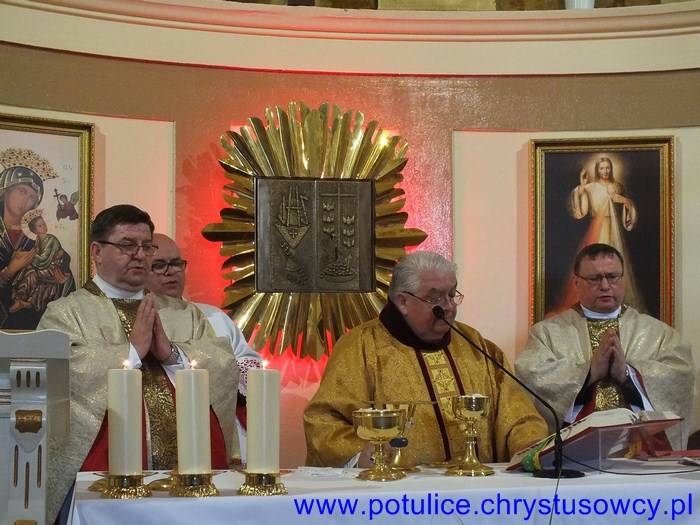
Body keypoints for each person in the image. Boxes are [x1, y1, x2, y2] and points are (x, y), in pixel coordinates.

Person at [37, 204, 240, 524]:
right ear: (97, 252)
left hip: (187, 474)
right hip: (105, 473)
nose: (139, 255)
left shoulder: (183, 312)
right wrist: (131, 352)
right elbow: (59, 376)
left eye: (146, 246)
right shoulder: (66, 312)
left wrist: (171, 354)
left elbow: (225, 367)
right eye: (127, 245)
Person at [303, 251, 548, 468]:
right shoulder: (362, 346)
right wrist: (359, 452)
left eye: (452, 295)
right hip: (397, 496)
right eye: (435, 298)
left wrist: (532, 449)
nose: (449, 306)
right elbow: (323, 420)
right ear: (403, 301)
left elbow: (519, 417)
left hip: (473, 494)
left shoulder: (476, 346)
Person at [516, 243, 694, 449]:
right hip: (575, 453)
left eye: (613, 276)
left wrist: (628, 374)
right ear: (576, 282)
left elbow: (680, 373)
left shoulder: (657, 333)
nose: (605, 286)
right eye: (594, 278)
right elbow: (531, 376)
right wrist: (588, 372)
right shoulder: (547, 333)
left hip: (640, 452)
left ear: (623, 278)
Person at [146, 232, 262, 457]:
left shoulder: (214, 317)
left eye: (176, 263)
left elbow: (249, 366)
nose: (171, 271)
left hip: (219, 428)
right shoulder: (140, 319)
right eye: (159, 265)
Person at [553, 157, 643, 315]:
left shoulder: (618, 186)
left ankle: (617, 303)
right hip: (598, 228)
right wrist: (582, 186)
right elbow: (580, 211)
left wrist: (626, 202)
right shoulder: (591, 187)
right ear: (597, 170)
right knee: (595, 267)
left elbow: (628, 212)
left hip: (615, 230)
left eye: (608, 167)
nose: (605, 171)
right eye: (602, 168)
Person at [0, 160, 47, 328]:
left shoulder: (34, 240)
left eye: (32, 197)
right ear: (5, 191)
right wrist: (10, 270)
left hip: (26, 324)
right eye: (22, 191)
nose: (26, 200)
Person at [10, 209, 75, 313]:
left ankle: (24, 301)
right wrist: (27, 257)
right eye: (40, 226)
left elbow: (44, 260)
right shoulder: (38, 240)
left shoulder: (51, 239)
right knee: (28, 271)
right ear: (34, 230)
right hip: (45, 267)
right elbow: (38, 258)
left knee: (31, 272)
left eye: (44, 224)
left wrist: (27, 256)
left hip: (56, 269)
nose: (44, 227)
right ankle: (20, 299)